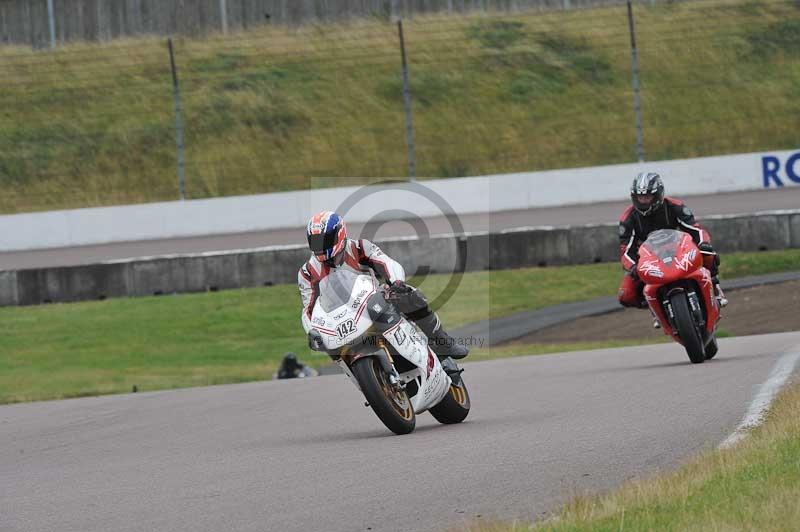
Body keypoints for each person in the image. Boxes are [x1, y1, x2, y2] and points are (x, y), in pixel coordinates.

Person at [298, 210, 468, 360]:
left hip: (373, 301)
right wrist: (311, 330)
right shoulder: (307, 272)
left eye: (325, 239)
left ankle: (442, 342)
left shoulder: (359, 247)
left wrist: (397, 282)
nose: (321, 245)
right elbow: (308, 309)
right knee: (326, 345)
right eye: (316, 240)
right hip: (340, 320)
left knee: (410, 294)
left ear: (339, 234)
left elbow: (387, 263)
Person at [618, 172, 728, 322]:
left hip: (678, 248)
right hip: (648, 258)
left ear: (658, 194)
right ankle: (655, 308)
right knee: (626, 294)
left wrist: (704, 243)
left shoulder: (675, 206)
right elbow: (626, 250)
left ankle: (715, 287)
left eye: (647, 197)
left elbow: (695, 229)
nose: (643, 201)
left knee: (708, 253)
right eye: (639, 197)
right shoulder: (628, 218)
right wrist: (633, 267)